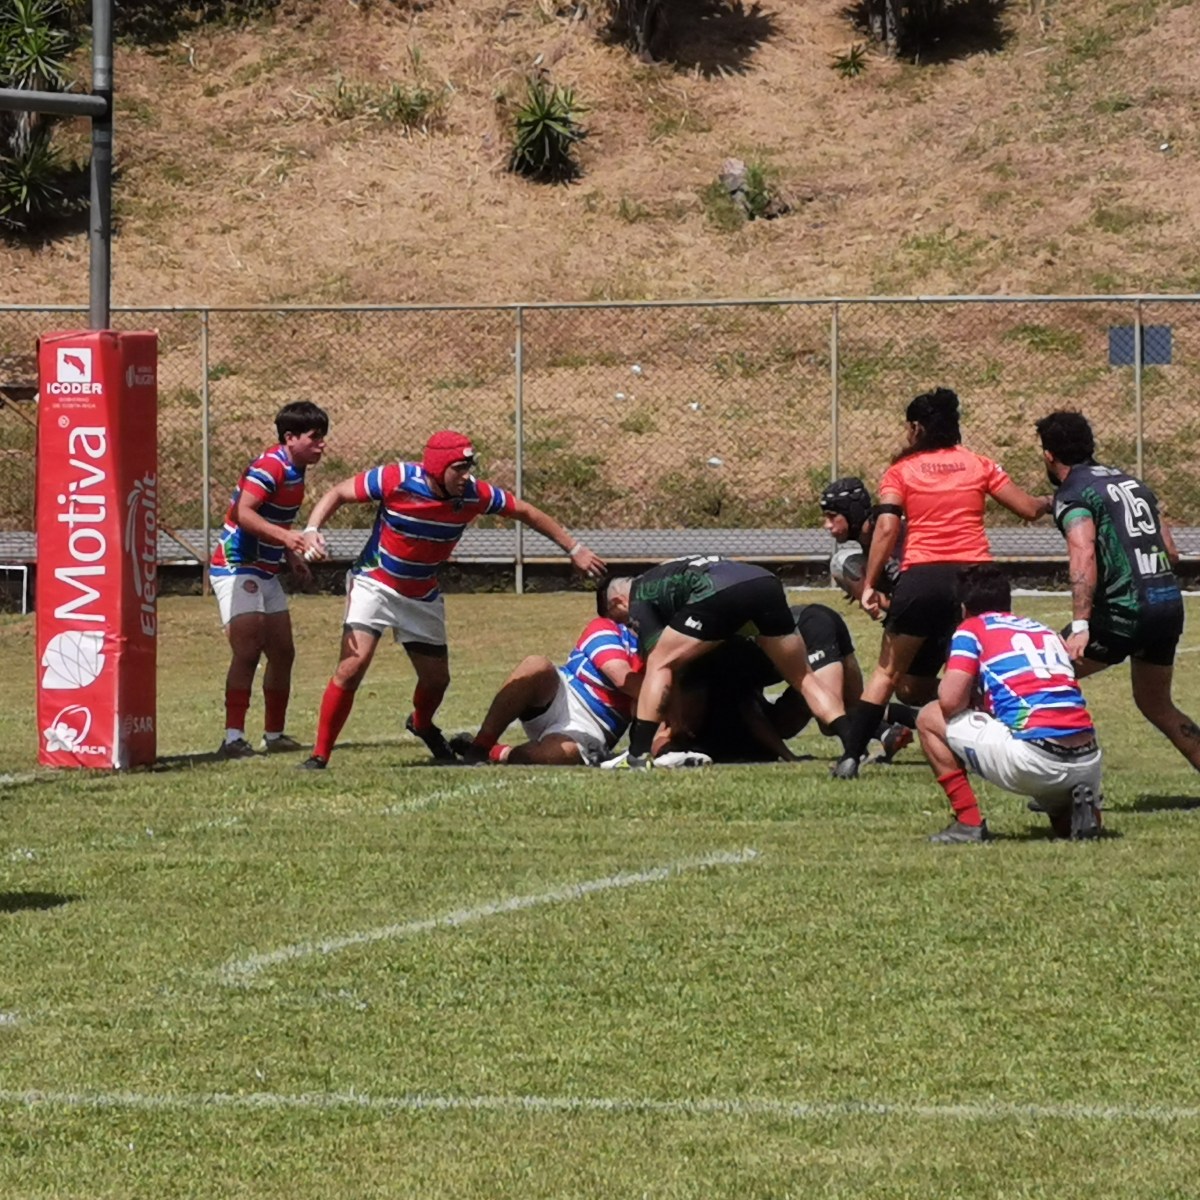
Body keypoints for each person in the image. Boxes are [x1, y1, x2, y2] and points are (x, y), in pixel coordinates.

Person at [298, 430, 605, 769]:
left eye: (469, 467)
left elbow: (526, 511)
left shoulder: (474, 495)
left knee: (436, 681)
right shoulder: (395, 478)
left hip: (421, 594)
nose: (466, 476)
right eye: (458, 468)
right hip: (375, 582)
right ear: (437, 467)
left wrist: (574, 549)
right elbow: (338, 492)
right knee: (353, 665)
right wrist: (312, 529)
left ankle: (422, 723)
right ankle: (319, 755)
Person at [834, 387, 1050, 779]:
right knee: (988, 671)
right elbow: (1027, 509)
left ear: (916, 428)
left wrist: (868, 583)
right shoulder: (979, 464)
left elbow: (886, 526)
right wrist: (1056, 499)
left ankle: (849, 758)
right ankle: (1012, 748)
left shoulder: (902, 471)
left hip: (923, 579)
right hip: (977, 579)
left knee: (887, 674)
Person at [1037, 410, 1200, 770]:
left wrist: (1081, 624)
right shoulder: (1130, 483)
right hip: (1168, 605)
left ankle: (1069, 778)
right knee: (1156, 704)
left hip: (1123, 612)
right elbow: (1170, 552)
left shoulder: (1073, 493)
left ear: (1049, 454)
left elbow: (1083, 551)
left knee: (1045, 677)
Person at [595, 556, 855, 769]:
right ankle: (853, 746)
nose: (629, 626)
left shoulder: (641, 595)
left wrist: (674, 721)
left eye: (622, 620)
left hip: (719, 592)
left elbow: (661, 666)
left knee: (659, 664)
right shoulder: (666, 573)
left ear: (618, 601)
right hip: (763, 581)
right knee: (804, 677)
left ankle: (637, 754)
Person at [917, 564, 1102, 843]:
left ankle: (968, 823)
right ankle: (1080, 803)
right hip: (1088, 756)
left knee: (929, 717)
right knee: (1063, 828)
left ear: (964, 608)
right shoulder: (1045, 631)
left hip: (1034, 758)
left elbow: (950, 702)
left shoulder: (972, 629)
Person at [208, 400, 329, 759]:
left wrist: (289, 555)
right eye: (314, 438)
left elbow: (273, 517)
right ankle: (232, 738)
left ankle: (273, 735)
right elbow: (243, 513)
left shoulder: (296, 468)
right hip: (236, 565)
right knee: (247, 651)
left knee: (283, 652)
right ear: (290, 437)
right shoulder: (271, 466)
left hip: (265, 567)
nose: (321, 445)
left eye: (323, 437)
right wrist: (289, 539)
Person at [449, 614, 642, 765]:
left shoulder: (660, 650)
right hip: (562, 694)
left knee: (551, 756)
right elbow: (623, 679)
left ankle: (499, 752)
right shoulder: (606, 628)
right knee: (536, 665)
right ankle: (480, 747)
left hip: (592, 729)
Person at [818, 476, 920, 757]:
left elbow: (910, 577)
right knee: (910, 689)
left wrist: (879, 595)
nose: (827, 526)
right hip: (909, 610)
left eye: (831, 516)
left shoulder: (886, 529)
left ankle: (974, 700)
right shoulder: (866, 537)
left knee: (898, 684)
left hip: (928, 604)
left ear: (850, 512)